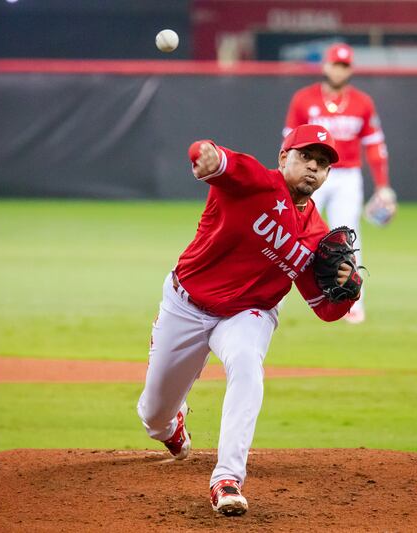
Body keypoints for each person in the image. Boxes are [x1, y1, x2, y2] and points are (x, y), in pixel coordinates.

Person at [136, 124, 360, 516]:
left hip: (248, 313)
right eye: (305, 156)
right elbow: (218, 160)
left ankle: (227, 479)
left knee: (246, 364)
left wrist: (349, 288)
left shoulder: (317, 236)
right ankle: (172, 425)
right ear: (282, 158)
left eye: (322, 163)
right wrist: (203, 153)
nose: (313, 167)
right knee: (153, 415)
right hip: (187, 304)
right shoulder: (254, 181)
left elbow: (325, 309)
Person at [284, 42, 397, 324]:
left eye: (344, 65)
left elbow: (374, 145)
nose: (339, 69)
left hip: (346, 176)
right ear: (325, 66)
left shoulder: (362, 103)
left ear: (350, 69)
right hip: (308, 173)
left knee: (346, 238)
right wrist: (287, 177)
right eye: (335, 64)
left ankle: (352, 300)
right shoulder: (303, 99)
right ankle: (275, 293)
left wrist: (382, 185)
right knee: (288, 231)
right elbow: (288, 143)